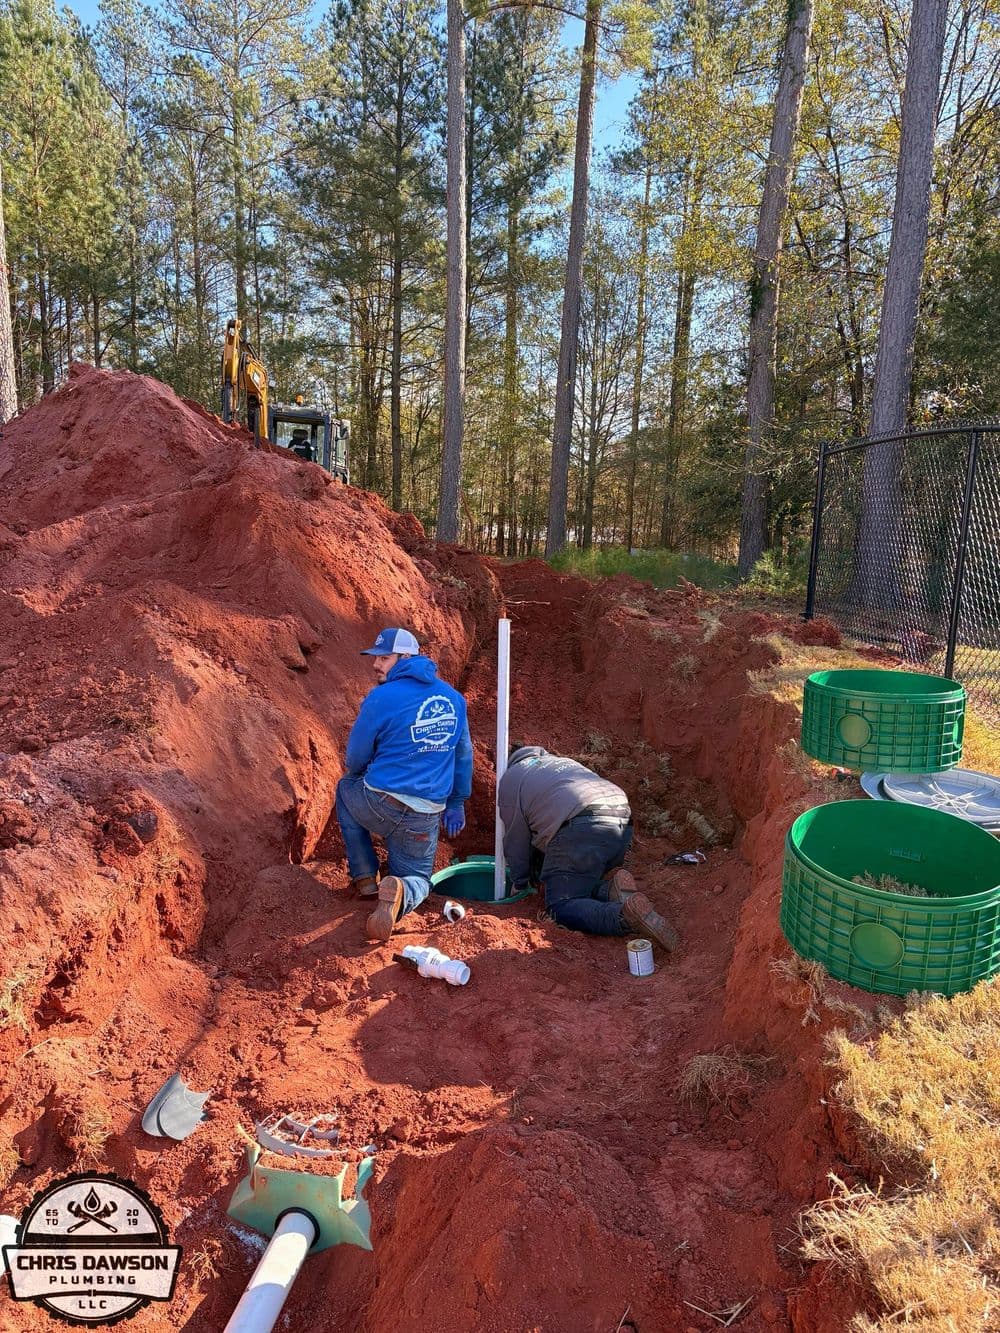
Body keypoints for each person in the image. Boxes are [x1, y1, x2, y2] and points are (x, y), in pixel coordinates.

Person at [335, 627, 472, 941]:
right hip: (424, 816)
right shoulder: (454, 699)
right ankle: (401, 891)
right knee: (418, 879)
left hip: (376, 803)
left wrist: (360, 773)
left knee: (345, 790)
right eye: (376, 658)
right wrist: (457, 801)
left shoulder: (381, 697)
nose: (376, 665)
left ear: (406, 658)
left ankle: (365, 877)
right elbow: (463, 755)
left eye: (384, 658)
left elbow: (356, 756)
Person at [498, 745, 679, 951]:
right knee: (578, 878)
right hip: (621, 819)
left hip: (582, 826)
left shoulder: (511, 778)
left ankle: (625, 916)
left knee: (561, 904)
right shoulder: (559, 762)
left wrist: (518, 884)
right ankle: (609, 890)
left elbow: (516, 840)